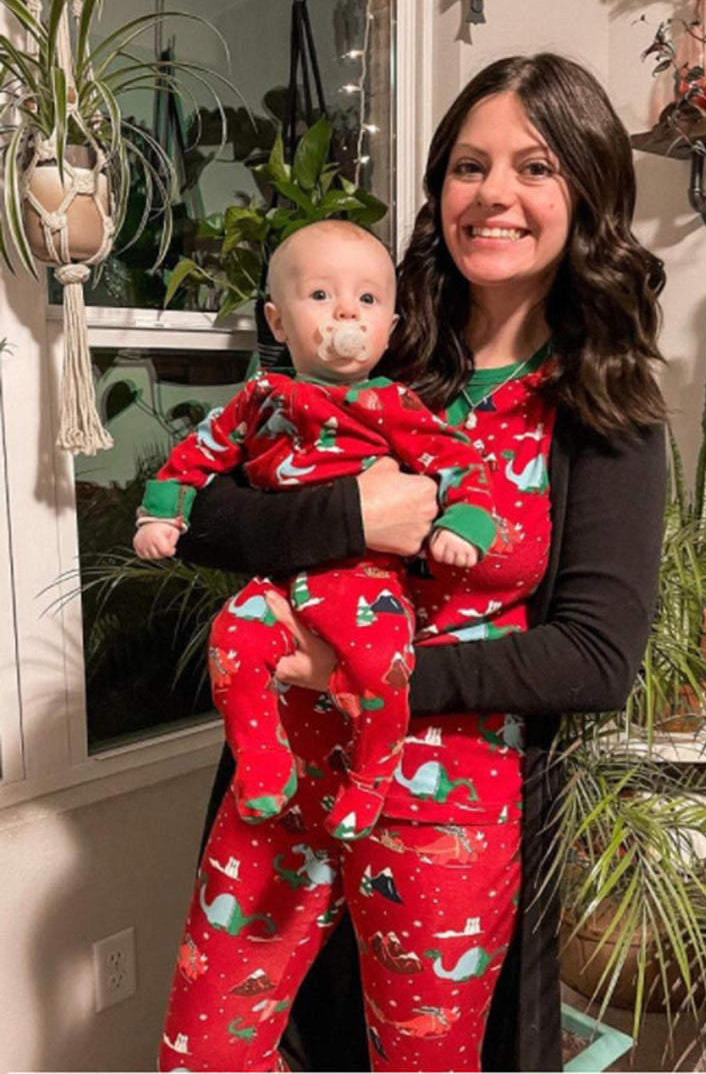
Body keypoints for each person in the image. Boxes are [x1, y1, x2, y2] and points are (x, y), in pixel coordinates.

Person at [166, 52, 668, 1073]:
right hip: (283, 788)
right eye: (466, 166)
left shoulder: (604, 406)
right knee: (215, 1050)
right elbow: (205, 514)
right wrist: (348, 512)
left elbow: (594, 657)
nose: (492, 195)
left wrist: (359, 676)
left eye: (532, 167)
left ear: (585, 190)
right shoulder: (368, 339)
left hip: (449, 809)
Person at [135, 220, 501, 840]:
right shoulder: (260, 399)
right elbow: (198, 454)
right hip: (280, 584)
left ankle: (371, 775)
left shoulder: (393, 404)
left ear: (388, 329)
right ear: (278, 323)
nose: (345, 315)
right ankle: (262, 760)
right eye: (321, 296)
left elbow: (460, 461)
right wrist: (160, 511)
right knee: (233, 637)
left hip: (364, 588)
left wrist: (464, 521)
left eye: (366, 300)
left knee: (384, 674)